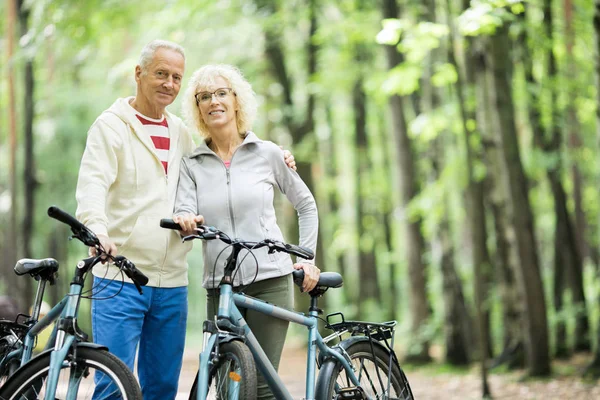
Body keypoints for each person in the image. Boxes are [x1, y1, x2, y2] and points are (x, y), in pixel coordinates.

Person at [75, 41, 296, 400]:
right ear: (139, 74)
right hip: (118, 276)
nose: (169, 83)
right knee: (112, 386)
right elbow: (92, 186)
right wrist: (97, 229)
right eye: (161, 74)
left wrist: (275, 156)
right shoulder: (110, 126)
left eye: (176, 77)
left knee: (162, 387)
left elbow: (223, 157)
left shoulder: (180, 132)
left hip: (171, 282)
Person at [173, 64, 320, 399]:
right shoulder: (192, 163)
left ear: (237, 101)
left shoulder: (267, 153)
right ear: (197, 109)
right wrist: (185, 222)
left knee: (264, 389)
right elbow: (183, 211)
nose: (214, 101)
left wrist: (307, 258)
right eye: (204, 97)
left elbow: (306, 205)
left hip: (271, 279)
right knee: (230, 389)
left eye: (222, 93)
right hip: (220, 287)